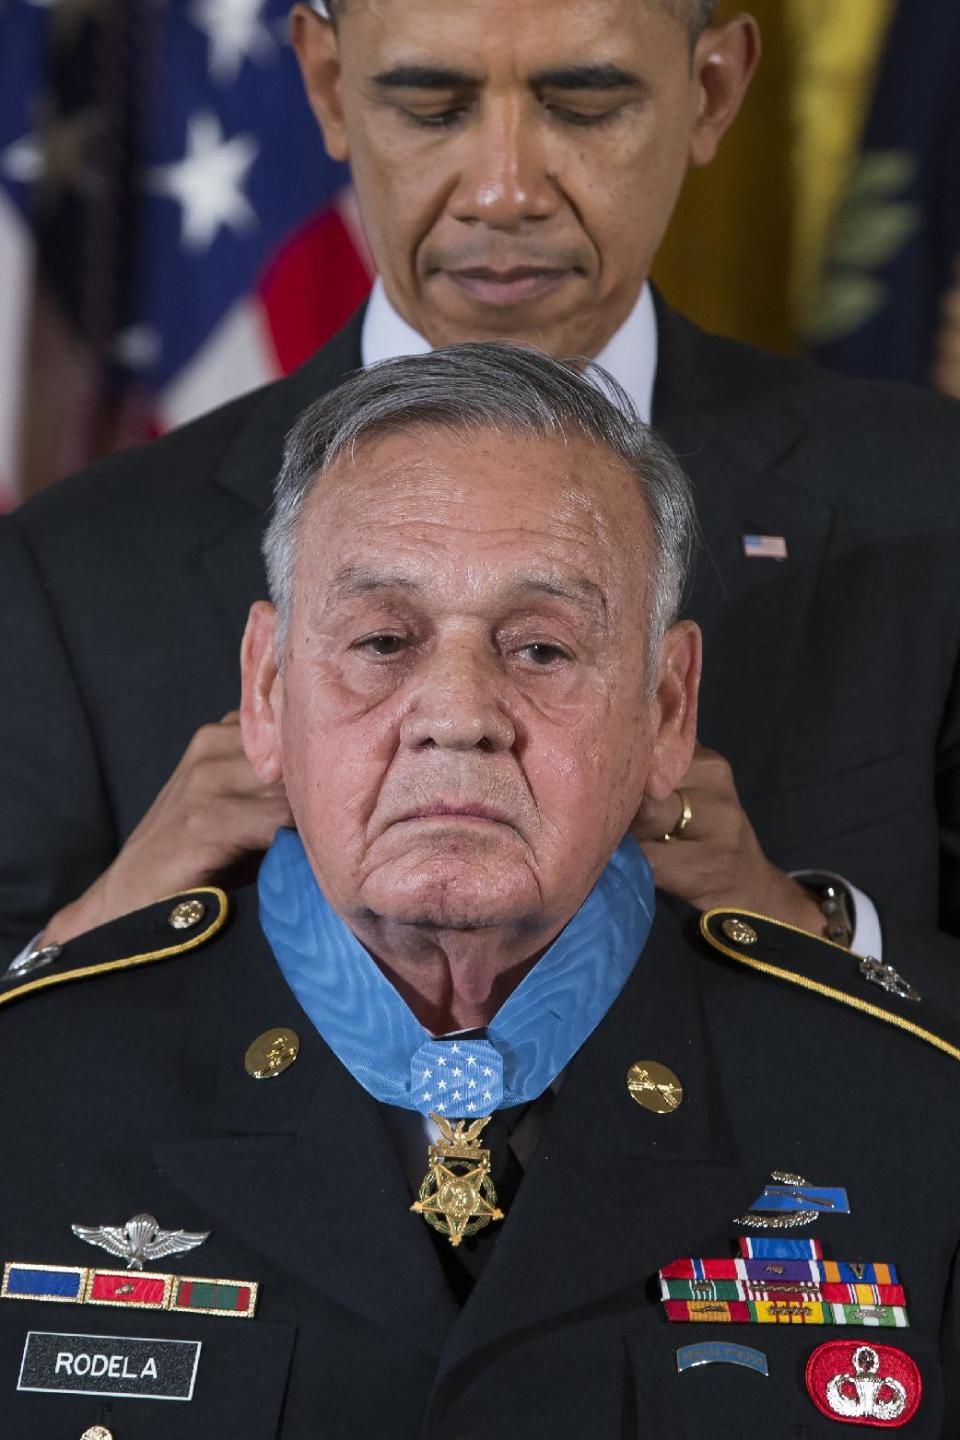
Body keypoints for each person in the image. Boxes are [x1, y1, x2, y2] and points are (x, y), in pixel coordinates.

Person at [2, 347, 957, 1439]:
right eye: (381, 641)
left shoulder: (917, 1115)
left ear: (666, 710)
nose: (458, 712)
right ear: (266, 692)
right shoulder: (23, 1089)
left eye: (542, 647)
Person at [3, 0, 960, 961]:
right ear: (329, 84)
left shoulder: (929, 496)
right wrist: (107, 924)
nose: (505, 193)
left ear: (712, 91)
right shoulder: (74, 566)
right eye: (431, 106)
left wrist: (808, 929)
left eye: (586, 105)